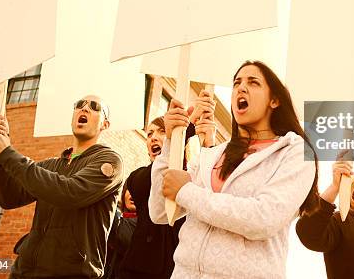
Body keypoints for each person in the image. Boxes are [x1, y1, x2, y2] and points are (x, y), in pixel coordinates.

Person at [149, 60, 320, 279]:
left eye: (253, 82)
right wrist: (170, 144)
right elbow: (160, 212)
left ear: (275, 100)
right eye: (237, 82)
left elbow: (264, 218)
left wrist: (186, 192)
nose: (241, 87)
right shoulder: (212, 155)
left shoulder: (294, 151)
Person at [0, 95, 123, 279]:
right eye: (79, 105)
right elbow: (8, 197)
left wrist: (7, 154)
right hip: (23, 273)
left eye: (95, 106)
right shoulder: (51, 165)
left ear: (105, 124)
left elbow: (69, 192)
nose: (85, 109)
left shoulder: (109, 161)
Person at [117, 103, 216, 279]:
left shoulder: (192, 175)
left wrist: (209, 144)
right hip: (136, 269)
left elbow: (211, 187)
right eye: (149, 134)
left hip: (177, 269)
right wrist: (183, 131)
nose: (154, 138)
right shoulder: (137, 177)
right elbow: (155, 181)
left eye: (162, 131)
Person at [103, 179, 138, 279]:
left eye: (137, 191)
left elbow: (120, 233)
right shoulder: (120, 217)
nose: (133, 195)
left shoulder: (146, 226)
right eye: (130, 190)